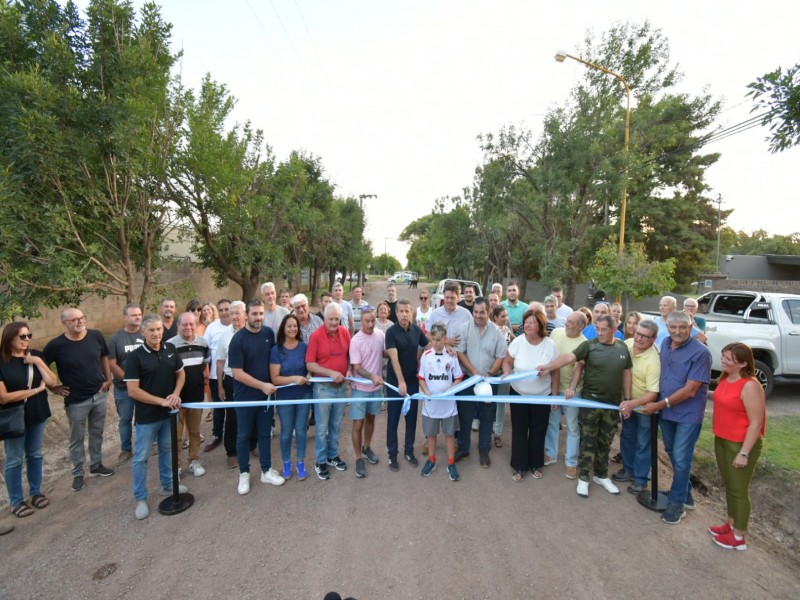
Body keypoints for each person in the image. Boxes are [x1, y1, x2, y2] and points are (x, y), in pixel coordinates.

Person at [537, 314, 632, 498]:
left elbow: (627, 373)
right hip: (590, 402)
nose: (600, 333)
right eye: (598, 329)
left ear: (614, 330)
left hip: (612, 405)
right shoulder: (589, 345)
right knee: (588, 441)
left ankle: (601, 475)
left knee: (605, 442)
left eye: (604, 329)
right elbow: (568, 358)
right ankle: (583, 478)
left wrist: (627, 399)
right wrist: (548, 367)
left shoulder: (622, 348)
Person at [640, 311, 711, 525]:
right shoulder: (665, 345)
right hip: (667, 412)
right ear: (667, 328)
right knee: (672, 452)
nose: (678, 331)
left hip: (687, 414)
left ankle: (677, 504)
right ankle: (686, 494)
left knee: (681, 457)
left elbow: (691, 390)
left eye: (683, 327)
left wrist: (659, 405)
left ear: (691, 328)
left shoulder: (701, 353)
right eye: (673, 327)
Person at [43, 307, 115, 492]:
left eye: (82, 317)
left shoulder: (96, 336)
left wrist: (108, 380)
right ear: (64, 323)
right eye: (74, 319)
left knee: (97, 432)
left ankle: (96, 465)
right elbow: (42, 367)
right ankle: (77, 474)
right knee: (77, 438)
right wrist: (54, 387)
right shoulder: (56, 345)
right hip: (76, 400)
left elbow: (104, 357)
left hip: (99, 394)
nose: (80, 321)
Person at [124, 314, 187, 520]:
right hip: (147, 418)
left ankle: (168, 485)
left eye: (159, 329)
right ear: (143, 332)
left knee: (167, 451)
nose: (156, 333)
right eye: (151, 330)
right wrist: (160, 401)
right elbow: (133, 391)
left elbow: (181, 373)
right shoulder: (135, 357)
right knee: (141, 458)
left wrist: (176, 394)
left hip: (169, 414)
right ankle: (140, 498)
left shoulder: (170, 349)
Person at [708, 342, 766, 551]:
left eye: (729, 359)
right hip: (722, 439)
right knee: (730, 484)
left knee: (739, 489)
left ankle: (739, 537)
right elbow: (719, 397)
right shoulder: (726, 378)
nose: (723, 360)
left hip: (740, 444)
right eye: (723, 356)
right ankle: (731, 524)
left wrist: (744, 453)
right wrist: (699, 391)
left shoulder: (750, 385)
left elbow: (756, 422)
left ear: (742, 363)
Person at [229, 299, 286, 495]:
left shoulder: (269, 334)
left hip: (267, 397)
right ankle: (244, 473)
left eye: (261, 313)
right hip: (245, 397)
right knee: (244, 435)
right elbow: (237, 373)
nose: (258, 317)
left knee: (264, 434)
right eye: (254, 314)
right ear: (246, 315)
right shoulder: (238, 339)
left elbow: (276, 359)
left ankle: (266, 470)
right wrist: (262, 385)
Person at [1, 322, 57, 518]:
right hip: (13, 417)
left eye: (28, 335)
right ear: (10, 338)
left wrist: (38, 362)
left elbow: (52, 382)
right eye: (22, 337)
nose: (27, 340)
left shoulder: (35, 355)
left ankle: (36, 492)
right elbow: (4, 397)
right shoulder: (2, 362)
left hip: (37, 413)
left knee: (34, 454)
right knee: (14, 460)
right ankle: (16, 501)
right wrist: (36, 390)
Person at [501, 310, 559, 482]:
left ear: (540, 325)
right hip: (518, 394)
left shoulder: (550, 345)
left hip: (542, 396)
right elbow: (507, 362)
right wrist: (506, 372)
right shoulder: (518, 342)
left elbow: (555, 372)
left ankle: (535, 464)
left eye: (532, 322)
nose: (527, 325)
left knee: (538, 431)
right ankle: (519, 466)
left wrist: (554, 396)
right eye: (526, 322)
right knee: (519, 430)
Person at [455, 298, 507, 467]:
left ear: (488, 311)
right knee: (465, 416)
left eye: (481, 312)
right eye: (475, 312)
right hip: (468, 380)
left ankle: (484, 449)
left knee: (487, 416)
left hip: (489, 381)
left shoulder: (497, 332)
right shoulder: (464, 328)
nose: (478, 315)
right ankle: (463, 448)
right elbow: (460, 353)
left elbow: (501, 356)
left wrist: (490, 373)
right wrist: (475, 372)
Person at [615, 319, 661, 493]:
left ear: (653, 339)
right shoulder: (626, 344)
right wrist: (626, 402)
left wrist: (631, 404)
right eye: (637, 334)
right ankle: (628, 469)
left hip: (643, 407)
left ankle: (641, 479)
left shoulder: (653, 360)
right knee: (627, 437)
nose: (639, 339)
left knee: (643, 443)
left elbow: (652, 394)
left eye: (645, 336)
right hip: (627, 402)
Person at [306, 302, 351, 480]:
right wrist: (330, 373)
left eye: (337, 319)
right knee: (322, 428)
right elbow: (310, 364)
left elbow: (350, 356)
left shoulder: (345, 332)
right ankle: (320, 461)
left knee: (336, 425)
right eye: (331, 319)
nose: (334, 322)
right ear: (324, 318)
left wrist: (348, 370)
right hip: (323, 388)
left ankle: (333, 456)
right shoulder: (316, 336)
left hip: (340, 389)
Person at [385, 299, 429, 471]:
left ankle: (409, 451)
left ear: (412, 313)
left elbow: (430, 346)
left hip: (412, 381)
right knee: (393, 419)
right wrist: (400, 381)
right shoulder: (391, 332)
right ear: (396, 313)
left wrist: (447, 348)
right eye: (401, 311)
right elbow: (394, 358)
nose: (404, 314)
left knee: (411, 419)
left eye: (407, 311)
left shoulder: (416, 330)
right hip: (395, 382)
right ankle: (392, 454)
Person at [543, 311, 588, 479]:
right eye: (567, 321)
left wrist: (572, 387)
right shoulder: (556, 332)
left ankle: (571, 462)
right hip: (553, 387)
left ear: (581, 326)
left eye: (571, 322)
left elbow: (579, 368)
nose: (567, 324)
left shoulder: (584, 343)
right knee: (552, 422)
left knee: (572, 427)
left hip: (572, 392)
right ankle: (550, 454)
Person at [418, 324, 464, 481]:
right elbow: (422, 378)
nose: (436, 342)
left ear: (445, 339)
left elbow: (458, 377)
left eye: (439, 340)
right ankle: (431, 460)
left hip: (448, 404)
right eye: (433, 339)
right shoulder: (426, 355)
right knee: (431, 434)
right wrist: (425, 390)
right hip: (431, 404)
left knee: (449, 434)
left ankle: (451, 463)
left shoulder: (451, 356)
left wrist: (451, 388)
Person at [270, 314, 312, 481]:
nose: (293, 329)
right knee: (286, 430)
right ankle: (286, 462)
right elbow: (275, 378)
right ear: (283, 328)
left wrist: (309, 374)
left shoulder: (304, 347)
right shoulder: (276, 350)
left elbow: (309, 367)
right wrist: (294, 378)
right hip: (285, 396)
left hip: (304, 394)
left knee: (301, 430)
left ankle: (300, 462)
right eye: (289, 326)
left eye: (295, 326)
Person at [168, 312, 210, 478]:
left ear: (196, 324)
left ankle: (193, 460)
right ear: (178, 325)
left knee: (194, 432)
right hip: (176, 399)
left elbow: (204, 365)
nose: (188, 327)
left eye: (191, 324)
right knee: (176, 436)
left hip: (195, 396)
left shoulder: (203, 343)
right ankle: (176, 466)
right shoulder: (170, 345)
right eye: (184, 324)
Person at [215, 301, 253, 468]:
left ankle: (253, 445)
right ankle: (231, 452)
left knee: (253, 413)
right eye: (232, 313)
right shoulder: (224, 335)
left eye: (238, 313)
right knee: (232, 416)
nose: (235, 316)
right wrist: (220, 386)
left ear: (245, 314)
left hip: (252, 380)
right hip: (232, 380)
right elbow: (220, 362)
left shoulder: (254, 331)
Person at [348, 307, 385, 478]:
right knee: (358, 424)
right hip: (359, 390)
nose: (370, 324)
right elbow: (357, 367)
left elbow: (384, 353)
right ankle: (358, 458)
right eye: (366, 321)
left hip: (376, 389)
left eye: (372, 321)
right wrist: (372, 376)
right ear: (361, 322)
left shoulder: (380, 335)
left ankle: (367, 447)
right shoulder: (355, 340)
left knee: (371, 418)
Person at [107, 303, 144, 466]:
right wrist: (129, 380)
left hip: (145, 387)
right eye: (134, 315)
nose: (137, 317)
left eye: (139, 314)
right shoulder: (116, 338)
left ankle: (147, 445)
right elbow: (112, 363)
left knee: (144, 417)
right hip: (123, 388)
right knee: (125, 418)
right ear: (125, 317)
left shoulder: (146, 334)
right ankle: (126, 449)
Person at [203, 299, 231, 452]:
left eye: (227, 309)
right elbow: (205, 351)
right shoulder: (211, 328)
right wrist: (205, 371)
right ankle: (217, 435)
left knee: (234, 408)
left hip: (234, 376)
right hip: (215, 376)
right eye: (221, 310)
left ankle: (236, 436)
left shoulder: (238, 327)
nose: (224, 312)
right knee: (218, 408)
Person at [490, 305, 514, 447]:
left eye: (507, 316)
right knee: (489, 402)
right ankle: (487, 431)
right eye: (503, 316)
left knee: (501, 403)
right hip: (492, 371)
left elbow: (516, 342)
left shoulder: (506, 330)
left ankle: (497, 433)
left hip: (505, 372)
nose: (506, 319)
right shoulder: (490, 330)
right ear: (495, 318)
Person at [429, 281, 472, 348]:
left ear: (458, 298)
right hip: (440, 354)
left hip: (460, 354)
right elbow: (428, 335)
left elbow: (472, 336)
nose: (449, 300)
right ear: (444, 296)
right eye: (447, 297)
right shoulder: (435, 314)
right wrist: (446, 342)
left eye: (452, 298)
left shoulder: (466, 315)